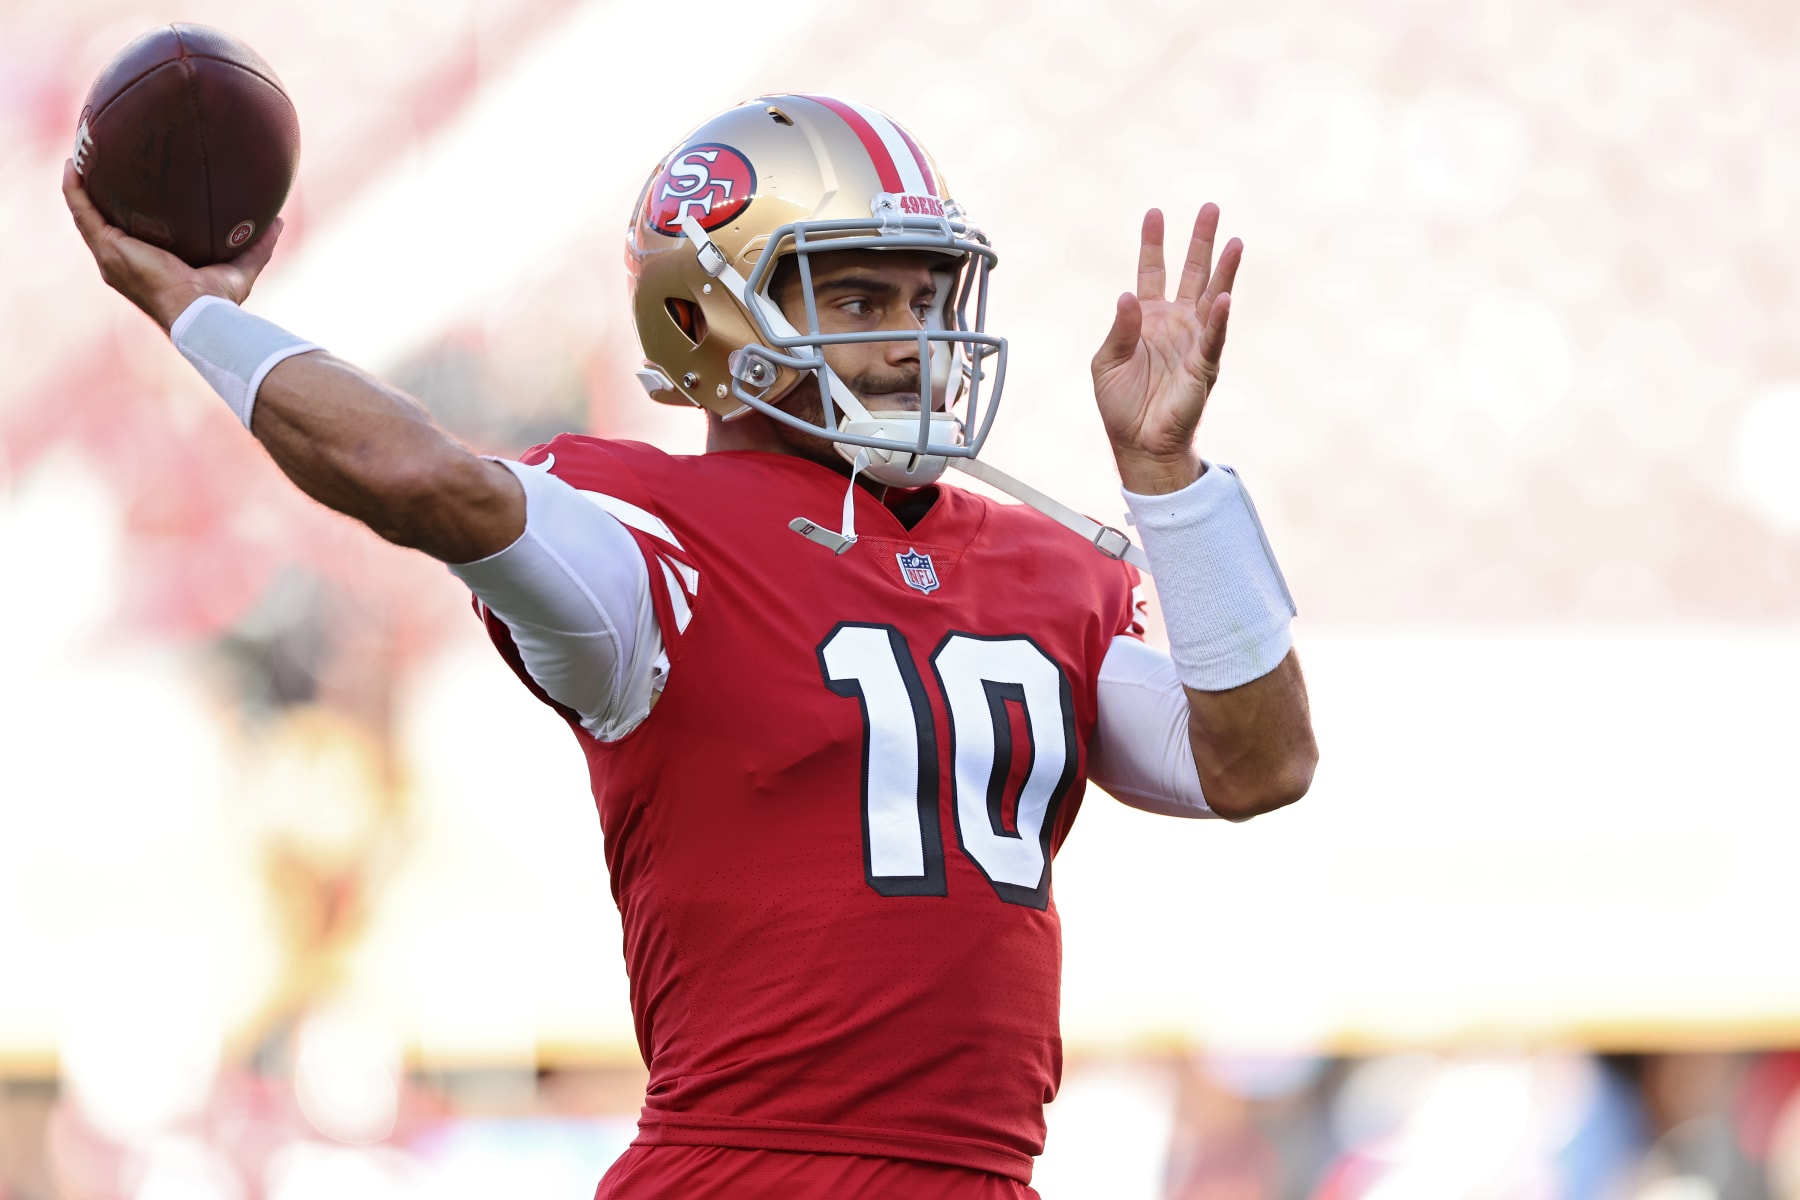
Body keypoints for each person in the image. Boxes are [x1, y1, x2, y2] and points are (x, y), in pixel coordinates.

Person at [65, 93, 1317, 1199]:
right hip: (742, 1170)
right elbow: (418, 477)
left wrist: (1173, 485)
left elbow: (1257, 766)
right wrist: (205, 323)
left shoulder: (1050, 569)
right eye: (861, 298)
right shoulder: (648, 548)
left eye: (926, 298)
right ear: (704, 316)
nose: (907, 341)